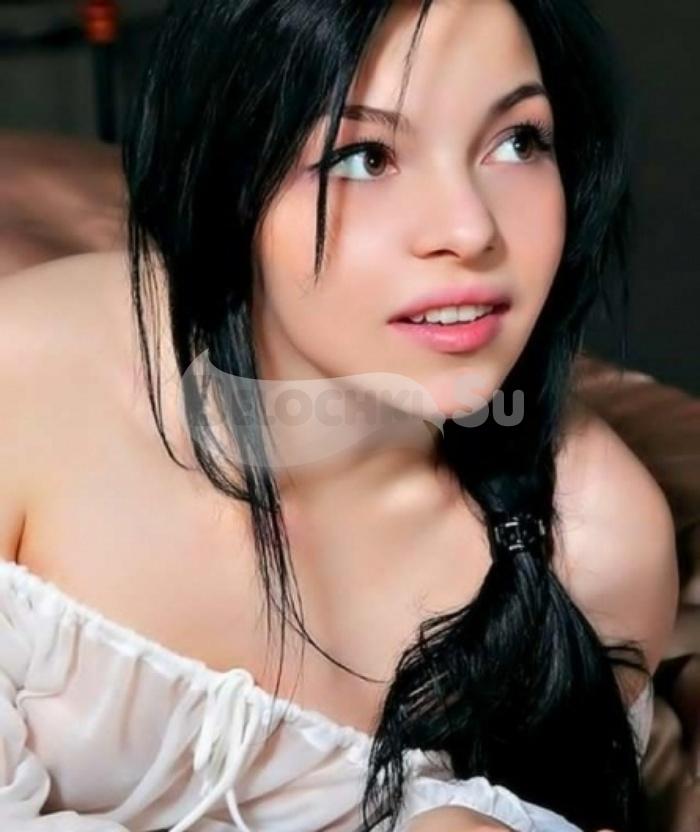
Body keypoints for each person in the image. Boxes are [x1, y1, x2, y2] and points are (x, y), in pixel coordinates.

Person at [0, 0, 679, 830]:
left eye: (517, 142)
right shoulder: (32, 373)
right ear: (230, 181)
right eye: (365, 156)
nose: (470, 230)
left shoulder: (602, 542)